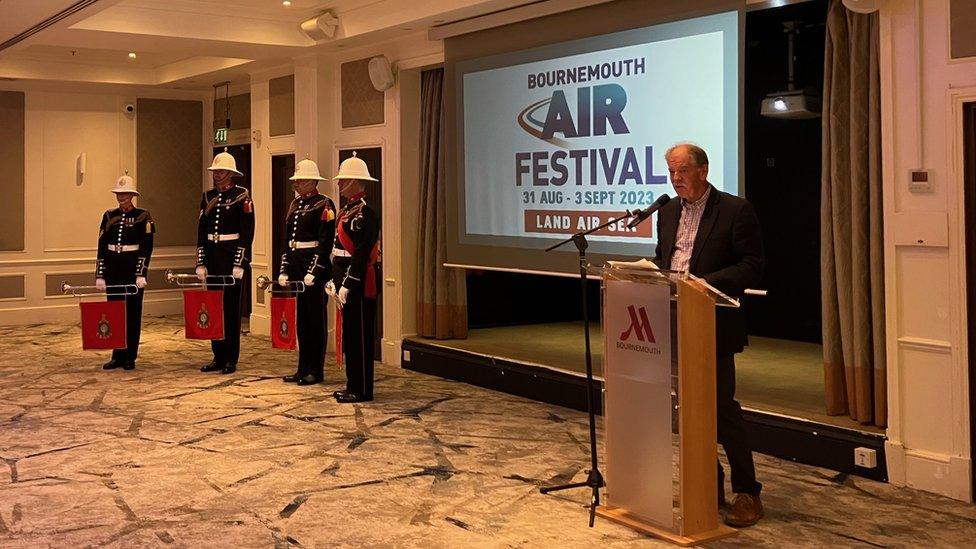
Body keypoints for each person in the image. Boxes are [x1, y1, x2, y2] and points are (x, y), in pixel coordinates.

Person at [652, 143, 765, 527]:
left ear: (703, 170)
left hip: (713, 322)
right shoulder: (666, 212)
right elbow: (664, 259)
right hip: (673, 322)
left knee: (721, 409)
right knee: (686, 410)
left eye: (683, 170)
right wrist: (649, 274)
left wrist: (702, 283)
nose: (676, 178)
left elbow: (751, 265)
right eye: (671, 171)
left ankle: (747, 491)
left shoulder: (735, 210)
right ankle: (708, 483)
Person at [327, 152, 380, 403]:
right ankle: (352, 384)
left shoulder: (366, 214)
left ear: (354, 182)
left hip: (357, 283)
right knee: (349, 334)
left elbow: (360, 253)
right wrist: (332, 279)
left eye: (343, 179)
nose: (338, 184)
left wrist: (348, 283)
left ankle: (361, 389)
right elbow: (336, 249)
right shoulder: (347, 210)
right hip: (343, 278)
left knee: (359, 337)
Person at [279, 156, 336, 386]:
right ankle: (302, 368)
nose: (296, 184)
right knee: (302, 322)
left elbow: (325, 242)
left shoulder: (324, 204)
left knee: (315, 322)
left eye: (301, 180)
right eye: (296, 180)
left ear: (313, 182)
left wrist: (314, 270)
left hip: (315, 271)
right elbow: (288, 241)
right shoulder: (295, 205)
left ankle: (316, 370)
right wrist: (285, 268)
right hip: (297, 267)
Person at [196, 149, 254, 375]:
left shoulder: (242, 196)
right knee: (213, 308)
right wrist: (201, 261)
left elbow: (247, 232)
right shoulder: (208, 197)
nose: (216, 174)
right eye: (215, 171)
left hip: (231, 259)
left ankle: (231, 357)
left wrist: (239, 262)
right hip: (213, 258)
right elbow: (202, 231)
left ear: (230, 173)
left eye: (220, 171)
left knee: (230, 311)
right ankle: (217, 356)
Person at [95, 172, 155, 371]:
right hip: (113, 269)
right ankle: (117, 354)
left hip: (131, 270)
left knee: (132, 313)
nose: (121, 197)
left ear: (132, 195)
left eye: (125, 193)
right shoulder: (109, 216)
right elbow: (102, 246)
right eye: (119, 194)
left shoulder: (143, 216)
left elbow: (146, 247)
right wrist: (100, 274)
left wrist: (141, 273)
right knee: (115, 313)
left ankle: (130, 355)